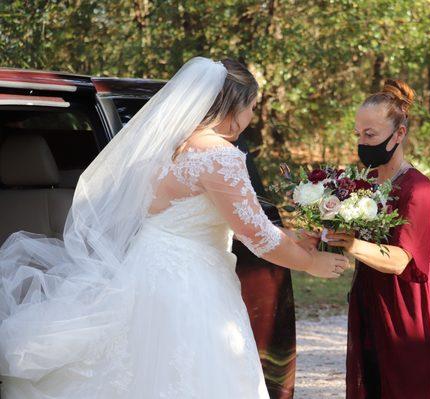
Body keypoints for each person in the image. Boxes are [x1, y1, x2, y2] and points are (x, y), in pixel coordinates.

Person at [0, 57, 349, 398]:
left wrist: (294, 240)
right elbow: (256, 235)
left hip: (143, 271)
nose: (252, 117)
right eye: (252, 107)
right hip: (190, 282)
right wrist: (311, 263)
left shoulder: (166, 148)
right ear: (235, 106)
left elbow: (243, 221)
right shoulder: (219, 155)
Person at [326, 79, 430, 398]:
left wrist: (352, 244)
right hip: (369, 298)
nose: (362, 142)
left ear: (398, 134)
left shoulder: (418, 190)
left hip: (407, 307)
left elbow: (400, 260)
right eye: (358, 135)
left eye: (370, 135)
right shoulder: (365, 183)